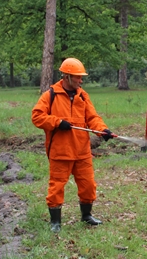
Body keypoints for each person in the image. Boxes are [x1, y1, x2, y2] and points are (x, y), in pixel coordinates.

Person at [32, 58, 114, 233]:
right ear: (67, 76)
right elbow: (37, 116)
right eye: (78, 77)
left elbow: (92, 118)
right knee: (56, 186)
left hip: (82, 151)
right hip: (60, 151)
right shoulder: (50, 95)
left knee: (88, 185)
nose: (81, 80)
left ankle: (86, 216)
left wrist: (102, 130)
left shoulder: (82, 95)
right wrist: (56, 122)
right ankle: (55, 222)